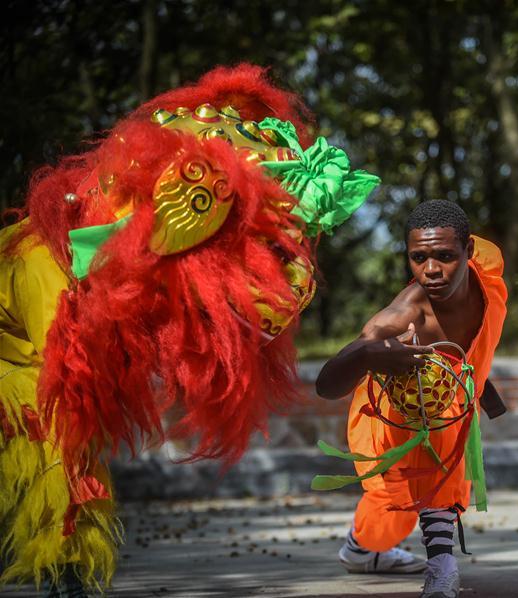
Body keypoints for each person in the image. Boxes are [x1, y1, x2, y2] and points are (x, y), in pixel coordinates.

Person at [0, 64, 376, 596]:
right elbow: (67, 410)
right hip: (26, 336)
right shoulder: (52, 268)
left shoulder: (133, 270)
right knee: (58, 420)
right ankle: (68, 568)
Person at [316, 199, 507, 598]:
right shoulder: (405, 316)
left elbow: (468, 350)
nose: (432, 270)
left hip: (447, 407)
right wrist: (372, 355)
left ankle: (412, 560)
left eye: (444, 256)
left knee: (434, 467)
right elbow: (327, 384)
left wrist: (484, 387)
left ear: (469, 251)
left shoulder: (488, 280)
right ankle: (383, 553)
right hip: (397, 414)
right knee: (391, 507)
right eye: (418, 258)